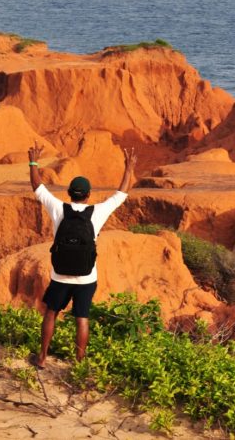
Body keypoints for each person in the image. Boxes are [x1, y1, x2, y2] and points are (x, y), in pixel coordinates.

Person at [27, 140, 137, 368]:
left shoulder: (58, 208)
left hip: (60, 275)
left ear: (69, 194)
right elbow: (121, 194)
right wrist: (129, 168)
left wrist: (33, 162)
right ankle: (79, 363)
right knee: (81, 318)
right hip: (87, 277)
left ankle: (42, 358)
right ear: (88, 195)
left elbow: (37, 186)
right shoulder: (97, 212)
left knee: (51, 313)